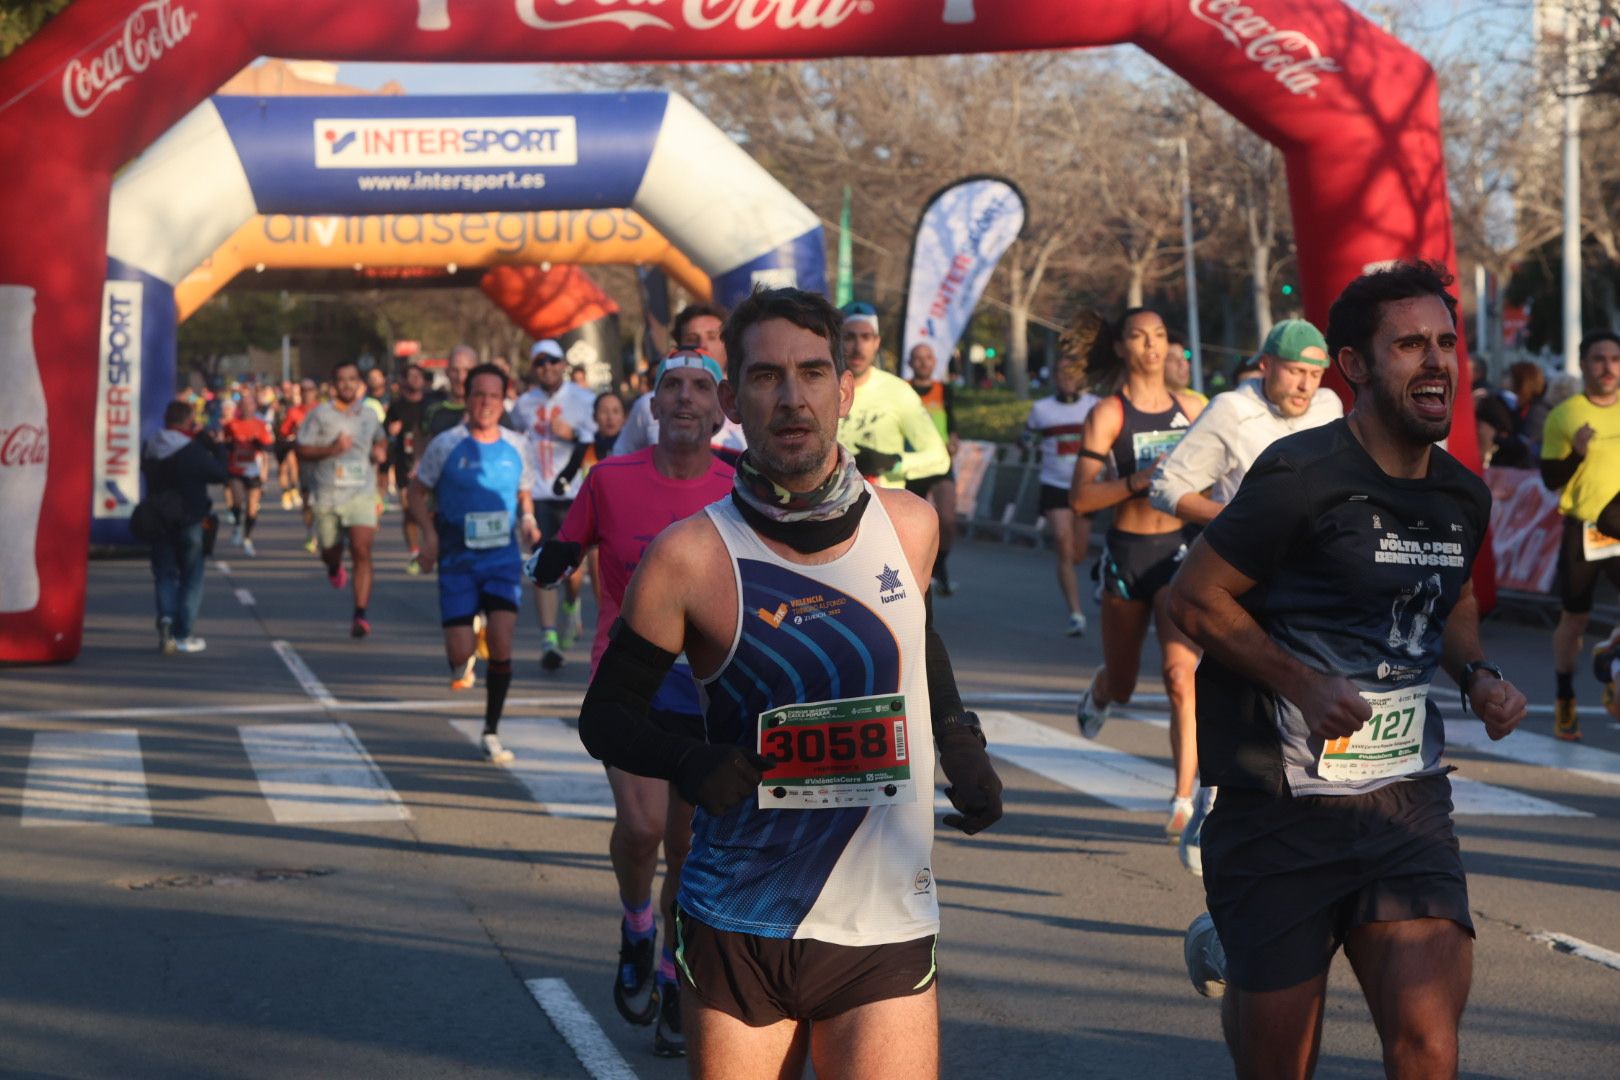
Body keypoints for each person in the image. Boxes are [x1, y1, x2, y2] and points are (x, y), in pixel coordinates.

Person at [573, 287, 1003, 1079]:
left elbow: (915, 632)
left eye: (813, 372)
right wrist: (691, 763)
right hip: (741, 918)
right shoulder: (689, 557)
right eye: (767, 377)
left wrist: (960, 739)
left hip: (882, 924)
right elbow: (606, 718)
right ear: (734, 399)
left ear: (845, 389)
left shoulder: (909, 525)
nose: (794, 397)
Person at [1169, 260, 1527, 1078]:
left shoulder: (1462, 496)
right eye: (1409, 344)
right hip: (1280, 809)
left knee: (1429, 1045)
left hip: (1406, 804)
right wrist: (1299, 680)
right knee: (1281, 1062)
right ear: (1356, 367)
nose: (1435, 360)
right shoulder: (1303, 479)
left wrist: (1476, 675)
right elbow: (1193, 600)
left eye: (1445, 342)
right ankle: (1237, 932)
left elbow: (1454, 599)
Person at [528, 348, 735, 1058]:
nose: (683, 398)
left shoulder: (742, 485)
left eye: (699, 388)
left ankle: (676, 976)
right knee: (643, 829)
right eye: (670, 386)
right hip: (631, 678)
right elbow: (567, 542)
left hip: (712, 686)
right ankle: (635, 924)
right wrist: (550, 560)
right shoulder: (610, 479)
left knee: (687, 847)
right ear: (652, 404)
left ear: (720, 408)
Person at [1150, 318, 1341, 874]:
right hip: (1245, 587)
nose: (1304, 385)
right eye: (1294, 372)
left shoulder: (1331, 408)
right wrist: (1239, 522)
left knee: (1309, 714)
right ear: (1265, 365)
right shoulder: (1231, 411)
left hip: (1315, 587)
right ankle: (1213, 805)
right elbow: (1168, 487)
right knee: (1252, 707)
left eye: (1314, 373)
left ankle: (1308, 831)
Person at [1069, 306, 1207, 836]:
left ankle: (1183, 798)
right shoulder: (1108, 413)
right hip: (1127, 556)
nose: (1152, 345)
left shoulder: (1191, 408)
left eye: (1160, 334)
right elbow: (1081, 497)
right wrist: (1138, 481)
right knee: (1125, 683)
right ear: (1122, 348)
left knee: (1180, 676)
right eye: (1139, 337)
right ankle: (1101, 694)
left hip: (1180, 551)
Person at [410, 364, 540, 760]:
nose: (486, 403)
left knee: (502, 644)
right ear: (466, 399)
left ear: (504, 401)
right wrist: (429, 537)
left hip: (501, 560)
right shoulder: (446, 445)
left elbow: (524, 493)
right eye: (478, 395)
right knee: (460, 655)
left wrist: (530, 521)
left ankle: (490, 729)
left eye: (494, 396)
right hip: (458, 562)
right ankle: (467, 643)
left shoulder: (518, 445)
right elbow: (416, 493)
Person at [1540, 330, 1620, 741]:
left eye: (1614, 359)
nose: (1607, 367)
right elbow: (1550, 479)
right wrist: (1577, 453)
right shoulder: (1564, 415)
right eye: (1598, 359)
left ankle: (1612, 661)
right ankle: (1565, 701)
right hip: (1584, 532)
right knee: (1575, 620)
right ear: (1584, 364)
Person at [511, 338, 598, 671]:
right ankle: (548, 637)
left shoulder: (585, 400)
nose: (547, 368)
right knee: (541, 564)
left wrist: (573, 434)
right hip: (538, 494)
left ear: (564, 364)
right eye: (540, 363)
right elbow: (518, 441)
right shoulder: (522, 405)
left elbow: (598, 444)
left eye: (553, 361)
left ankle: (571, 605)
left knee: (573, 573)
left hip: (575, 494)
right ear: (533, 369)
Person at [297, 360, 390, 638]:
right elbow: (302, 450)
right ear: (333, 385)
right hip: (328, 494)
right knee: (329, 550)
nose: (347, 384)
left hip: (361, 492)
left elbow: (381, 439)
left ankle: (360, 614)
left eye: (352, 379)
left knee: (362, 549)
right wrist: (332, 449)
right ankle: (334, 564)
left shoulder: (369, 415)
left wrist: (380, 451)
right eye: (342, 379)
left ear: (358, 383)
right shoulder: (319, 415)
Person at [1025, 328, 1102, 636]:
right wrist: (1024, 440)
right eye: (1062, 373)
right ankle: (1076, 613)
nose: (1067, 378)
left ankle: (1100, 577)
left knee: (1079, 553)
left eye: (1073, 373)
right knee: (1063, 544)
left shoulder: (1095, 406)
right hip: (1054, 485)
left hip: (1086, 486)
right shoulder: (1041, 409)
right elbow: (1027, 435)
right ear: (1055, 376)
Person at [142, 400, 228, 654]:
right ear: (189, 422)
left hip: (158, 519)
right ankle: (183, 633)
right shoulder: (191, 451)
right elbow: (220, 473)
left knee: (165, 574)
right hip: (191, 519)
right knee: (191, 577)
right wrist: (216, 445)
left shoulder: (151, 446)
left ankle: (166, 620)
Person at [835, 301, 950, 489]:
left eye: (866, 337)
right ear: (837, 341)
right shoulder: (820, 390)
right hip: (828, 511)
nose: (858, 347)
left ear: (876, 342)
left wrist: (893, 463)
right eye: (849, 337)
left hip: (885, 509)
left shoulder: (898, 391)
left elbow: (939, 457)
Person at [615, 303, 747, 457]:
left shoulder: (748, 403)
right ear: (679, 345)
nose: (702, 345)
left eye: (712, 337)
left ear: (728, 344)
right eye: (692, 338)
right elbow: (621, 458)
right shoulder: (648, 405)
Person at [906, 343, 961, 595]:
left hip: (939, 462)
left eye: (928, 358)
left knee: (948, 520)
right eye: (918, 358)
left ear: (935, 361)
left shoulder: (943, 390)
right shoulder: (902, 390)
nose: (923, 362)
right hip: (912, 464)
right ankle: (919, 574)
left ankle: (939, 564)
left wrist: (954, 439)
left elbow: (952, 423)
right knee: (912, 527)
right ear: (910, 362)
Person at [385, 363, 442, 574]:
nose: (416, 379)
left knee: (430, 511)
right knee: (409, 510)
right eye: (411, 376)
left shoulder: (433, 404)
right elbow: (385, 433)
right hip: (405, 463)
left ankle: (432, 544)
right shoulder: (397, 406)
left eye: (419, 376)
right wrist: (391, 431)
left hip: (431, 464)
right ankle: (414, 552)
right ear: (404, 380)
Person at [426, 345, 520, 442]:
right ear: (447, 372)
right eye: (455, 370)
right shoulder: (432, 410)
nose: (460, 377)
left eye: (467, 371)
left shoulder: (493, 412)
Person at [222, 391, 275, 558]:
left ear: (254, 406)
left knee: (252, 509)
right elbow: (225, 444)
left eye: (250, 404)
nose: (247, 407)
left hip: (254, 470)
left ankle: (247, 538)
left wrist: (264, 472)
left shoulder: (260, 425)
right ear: (240, 407)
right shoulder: (231, 425)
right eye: (243, 404)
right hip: (236, 469)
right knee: (237, 499)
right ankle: (237, 525)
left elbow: (267, 450)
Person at [1165, 330, 1208, 406]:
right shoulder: (1148, 404)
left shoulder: (1200, 401)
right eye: (1172, 358)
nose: (1182, 364)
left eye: (1184, 358)